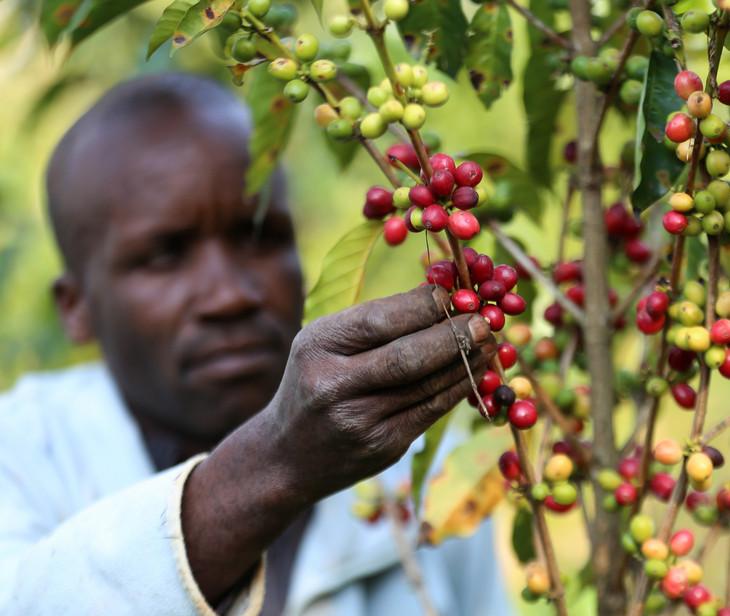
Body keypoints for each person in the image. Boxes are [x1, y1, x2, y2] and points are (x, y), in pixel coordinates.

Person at [0, 73, 505, 615]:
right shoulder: (23, 454)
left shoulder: (428, 480)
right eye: (164, 255)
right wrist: (274, 464)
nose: (229, 295)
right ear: (76, 307)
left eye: (261, 236)